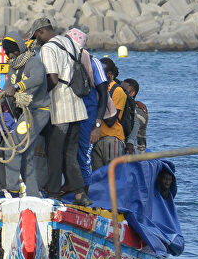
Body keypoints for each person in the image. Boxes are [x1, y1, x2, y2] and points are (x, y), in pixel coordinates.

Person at [31, 17, 91, 206]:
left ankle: (55, 193)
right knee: (70, 153)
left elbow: (53, 79)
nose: (36, 41)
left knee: (55, 152)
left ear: (41, 31)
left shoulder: (48, 48)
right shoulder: (70, 42)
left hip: (60, 106)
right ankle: (80, 194)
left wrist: (37, 98)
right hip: (77, 105)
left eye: (36, 36)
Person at [0, 33, 50, 197]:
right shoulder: (13, 67)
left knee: (13, 146)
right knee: (27, 153)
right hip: (24, 113)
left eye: (14, 52)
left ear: (20, 48)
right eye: (8, 53)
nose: (11, 56)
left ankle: (12, 189)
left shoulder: (34, 62)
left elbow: (38, 78)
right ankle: (33, 193)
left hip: (38, 112)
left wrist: (18, 87)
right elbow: (6, 89)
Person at [65, 28, 115, 181]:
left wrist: (97, 126)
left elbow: (104, 94)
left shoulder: (93, 63)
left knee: (84, 155)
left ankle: (84, 194)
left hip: (88, 116)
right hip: (68, 113)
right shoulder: (64, 60)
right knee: (66, 152)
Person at [91, 57, 129, 170]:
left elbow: (111, 120)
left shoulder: (117, 91)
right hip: (96, 139)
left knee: (113, 176)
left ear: (110, 74)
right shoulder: (96, 88)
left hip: (111, 138)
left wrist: (101, 97)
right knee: (97, 177)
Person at [123, 78, 148, 153]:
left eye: (124, 90)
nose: (120, 90)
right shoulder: (136, 107)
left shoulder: (139, 112)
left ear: (132, 93)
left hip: (133, 150)